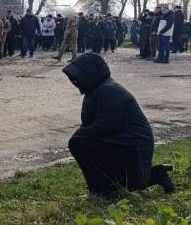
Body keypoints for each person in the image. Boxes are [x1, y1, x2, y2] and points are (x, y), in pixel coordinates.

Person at [62, 53, 173, 196]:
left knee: (78, 143)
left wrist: (80, 134)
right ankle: (104, 188)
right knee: (81, 143)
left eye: (77, 77)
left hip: (134, 143)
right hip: (121, 139)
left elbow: (106, 125)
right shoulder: (96, 91)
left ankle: (102, 190)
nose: (75, 81)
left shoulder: (110, 91)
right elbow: (91, 124)